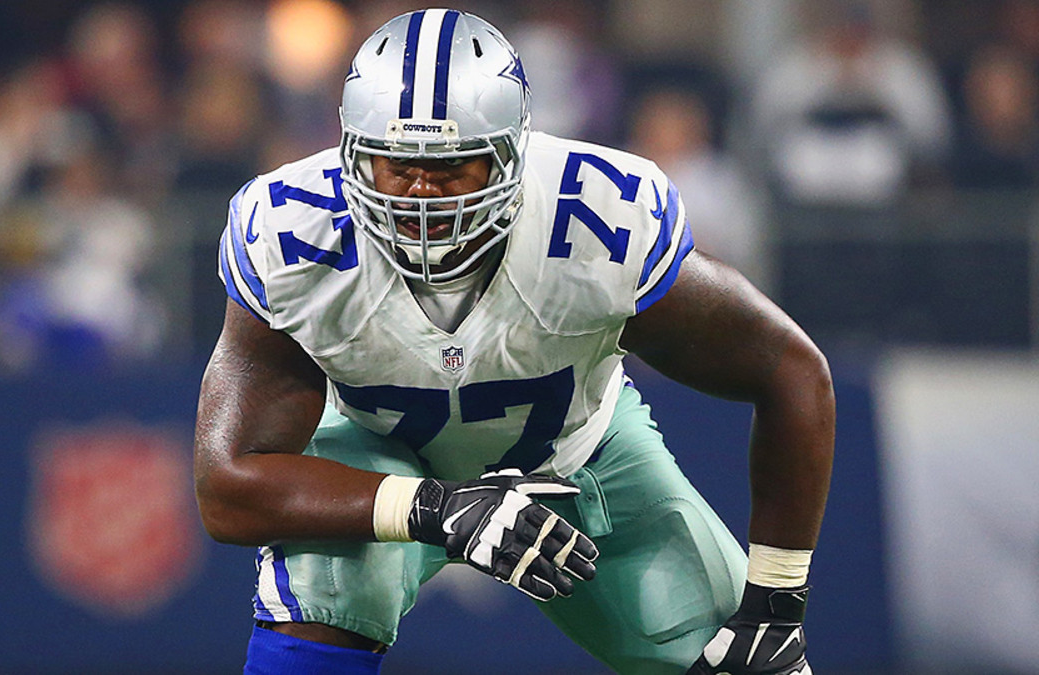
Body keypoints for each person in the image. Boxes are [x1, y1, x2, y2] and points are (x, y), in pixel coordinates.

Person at [194, 9, 833, 675]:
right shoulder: (293, 231)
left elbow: (790, 370)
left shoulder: (596, 218)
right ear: (353, 154)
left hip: (579, 449)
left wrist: (778, 598)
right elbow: (226, 486)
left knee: (745, 659)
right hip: (378, 452)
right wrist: (435, 508)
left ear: (511, 155)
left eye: (453, 167)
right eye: (397, 164)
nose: (421, 195)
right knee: (329, 584)